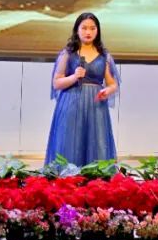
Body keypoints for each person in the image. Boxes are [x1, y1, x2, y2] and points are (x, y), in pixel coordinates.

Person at [44, 12, 119, 166]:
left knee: (97, 143)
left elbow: (113, 84)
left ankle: (95, 178)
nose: (88, 32)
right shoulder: (68, 54)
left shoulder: (104, 56)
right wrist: (74, 77)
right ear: (77, 30)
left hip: (95, 106)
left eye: (92, 28)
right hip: (71, 103)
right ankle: (69, 178)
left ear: (98, 31)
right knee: (70, 142)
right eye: (84, 28)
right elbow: (56, 83)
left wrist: (107, 91)